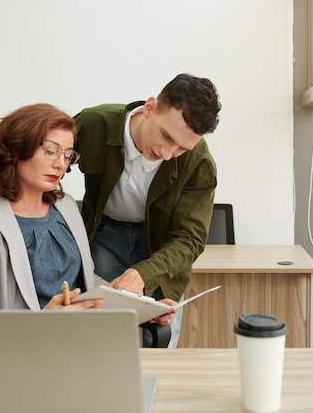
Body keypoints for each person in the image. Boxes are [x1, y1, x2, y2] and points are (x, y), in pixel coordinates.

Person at [0, 103, 176, 322]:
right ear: (16, 149)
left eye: (67, 156)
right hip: (22, 351)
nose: (60, 164)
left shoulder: (66, 207)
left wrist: (141, 307)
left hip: (82, 341)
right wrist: (44, 322)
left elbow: (87, 283)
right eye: (50, 151)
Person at [73, 73, 221, 347]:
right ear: (150, 108)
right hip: (104, 236)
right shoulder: (94, 124)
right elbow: (46, 157)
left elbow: (190, 239)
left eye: (181, 149)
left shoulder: (200, 163)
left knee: (159, 342)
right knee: (99, 337)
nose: (168, 154)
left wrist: (144, 274)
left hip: (161, 250)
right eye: (167, 136)